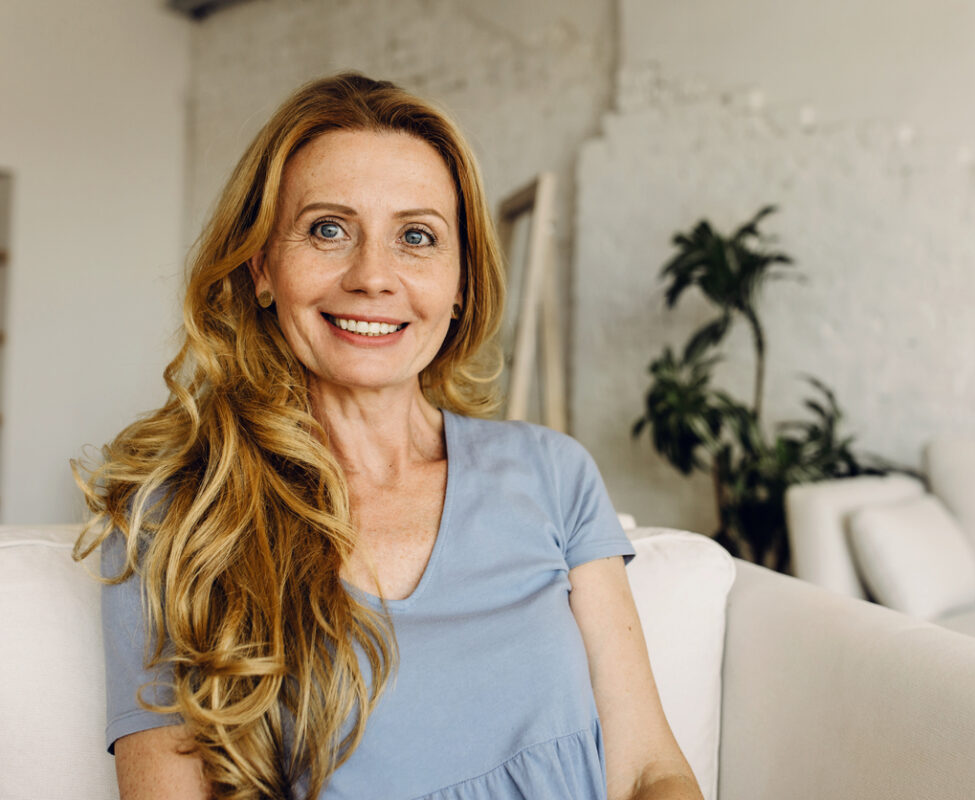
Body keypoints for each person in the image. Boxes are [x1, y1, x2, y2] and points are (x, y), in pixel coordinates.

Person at [74, 73, 701, 800]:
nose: (373, 277)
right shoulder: (175, 513)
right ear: (262, 268)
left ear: (461, 282)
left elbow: (649, 770)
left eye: (416, 237)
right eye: (328, 229)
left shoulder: (554, 473)